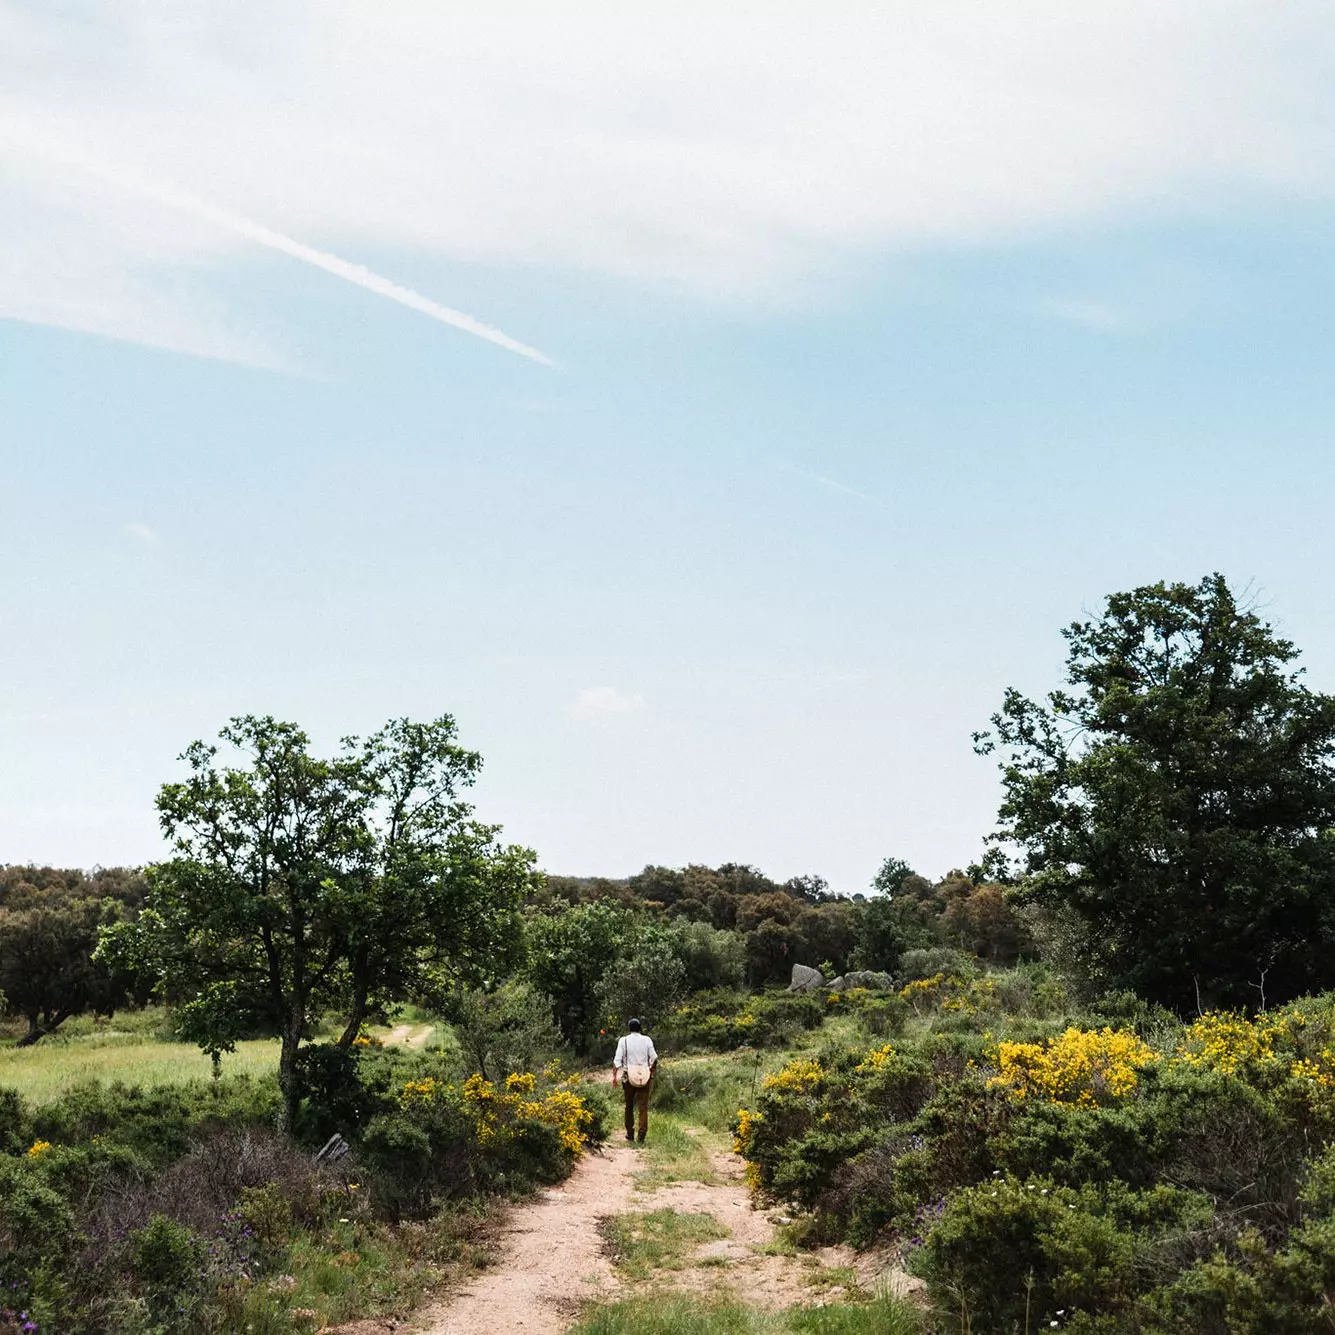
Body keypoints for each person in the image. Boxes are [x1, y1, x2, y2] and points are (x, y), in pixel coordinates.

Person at [611, 1017, 658, 1143]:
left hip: (628, 1075)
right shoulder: (647, 1040)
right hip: (644, 1076)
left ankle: (630, 1133)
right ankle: (642, 1134)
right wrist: (651, 1072)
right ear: (640, 1028)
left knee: (629, 1105)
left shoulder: (623, 1040)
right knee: (643, 1106)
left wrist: (614, 1077)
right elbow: (654, 1058)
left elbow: (617, 1060)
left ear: (629, 1029)